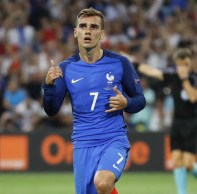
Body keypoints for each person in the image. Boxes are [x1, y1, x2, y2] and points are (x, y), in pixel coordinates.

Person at [42, 8, 146, 194]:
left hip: (113, 140)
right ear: (75, 32)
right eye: (83, 26)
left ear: (102, 34)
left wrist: (126, 104)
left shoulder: (120, 63)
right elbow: (51, 110)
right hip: (83, 144)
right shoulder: (66, 68)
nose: (88, 31)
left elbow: (140, 100)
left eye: (93, 27)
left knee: (103, 183)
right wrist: (48, 86)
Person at [136, 47, 197, 194]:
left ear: (190, 64)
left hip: (192, 124)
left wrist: (184, 80)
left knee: (188, 165)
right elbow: (152, 71)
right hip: (177, 123)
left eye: (185, 64)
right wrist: (134, 63)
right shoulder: (172, 76)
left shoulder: (194, 79)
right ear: (176, 63)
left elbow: (193, 97)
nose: (182, 67)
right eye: (180, 64)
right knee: (176, 161)